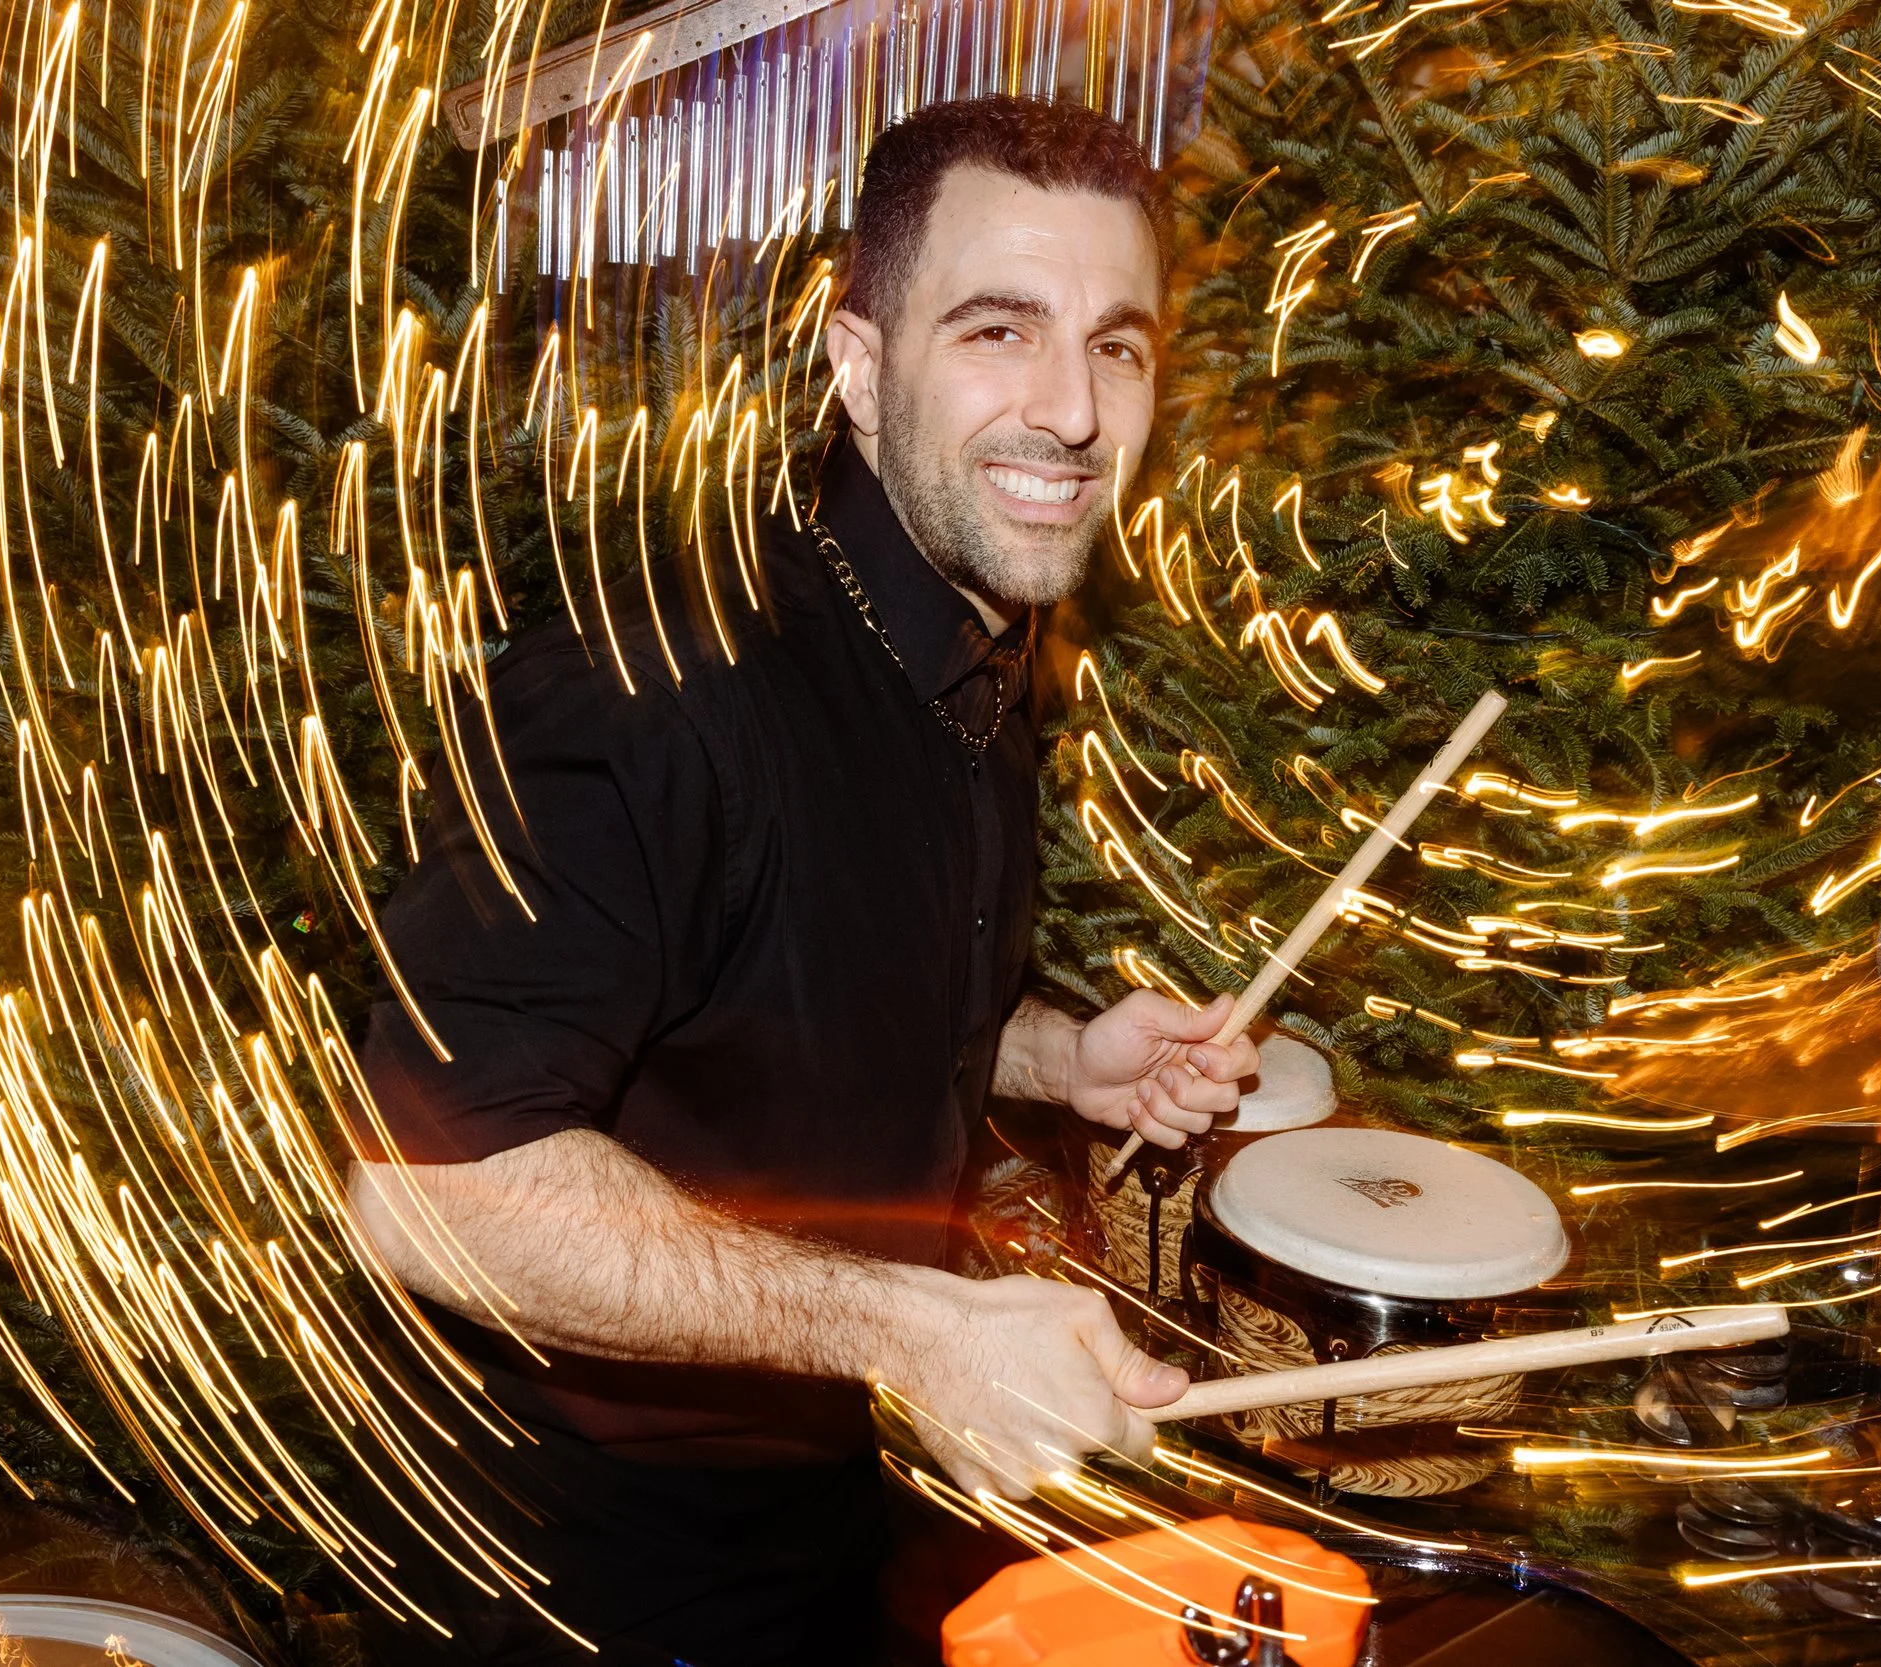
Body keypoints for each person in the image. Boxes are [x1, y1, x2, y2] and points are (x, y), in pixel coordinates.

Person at [344, 95, 1260, 1666]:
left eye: (1117, 345)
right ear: (858, 364)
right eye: (997, 330)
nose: (1073, 410)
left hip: (828, 1510)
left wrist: (1057, 1056)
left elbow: (796, 973)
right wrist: (915, 1326)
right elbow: (429, 1189)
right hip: (580, 1577)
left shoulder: (981, 637)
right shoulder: (654, 689)